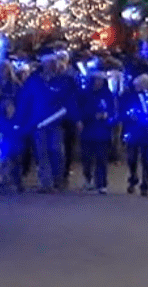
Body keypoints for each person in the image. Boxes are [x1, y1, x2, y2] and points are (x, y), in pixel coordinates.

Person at [16, 50, 71, 192]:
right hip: (38, 124)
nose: (52, 66)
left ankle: (57, 179)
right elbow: (24, 101)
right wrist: (20, 120)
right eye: (49, 63)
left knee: (56, 152)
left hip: (56, 123)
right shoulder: (34, 81)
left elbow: (70, 101)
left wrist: (75, 118)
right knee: (42, 153)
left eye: (54, 63)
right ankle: (46, 183)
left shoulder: (62, 81)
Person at [76, 67, 118, 193]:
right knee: (87, 158)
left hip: (102, 132)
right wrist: (88, 118)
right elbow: (80, 110)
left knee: (101, 158)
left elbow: (113, 111)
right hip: (87, 131)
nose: (98, 82)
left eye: (101, 80)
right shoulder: (85, 94)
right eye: (96, 80)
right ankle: (88, 179)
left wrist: (107, 117)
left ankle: (101, 183)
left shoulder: (107, 95)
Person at [121, 74, 148, 196]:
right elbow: (123, 109)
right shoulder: (130, 95)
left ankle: (145, 184)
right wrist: (129, 116)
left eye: (140, 85)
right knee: (132, 158)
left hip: (147, 131)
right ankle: (133, 179)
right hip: (133, 130)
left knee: (145, 160)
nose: (138, 87)